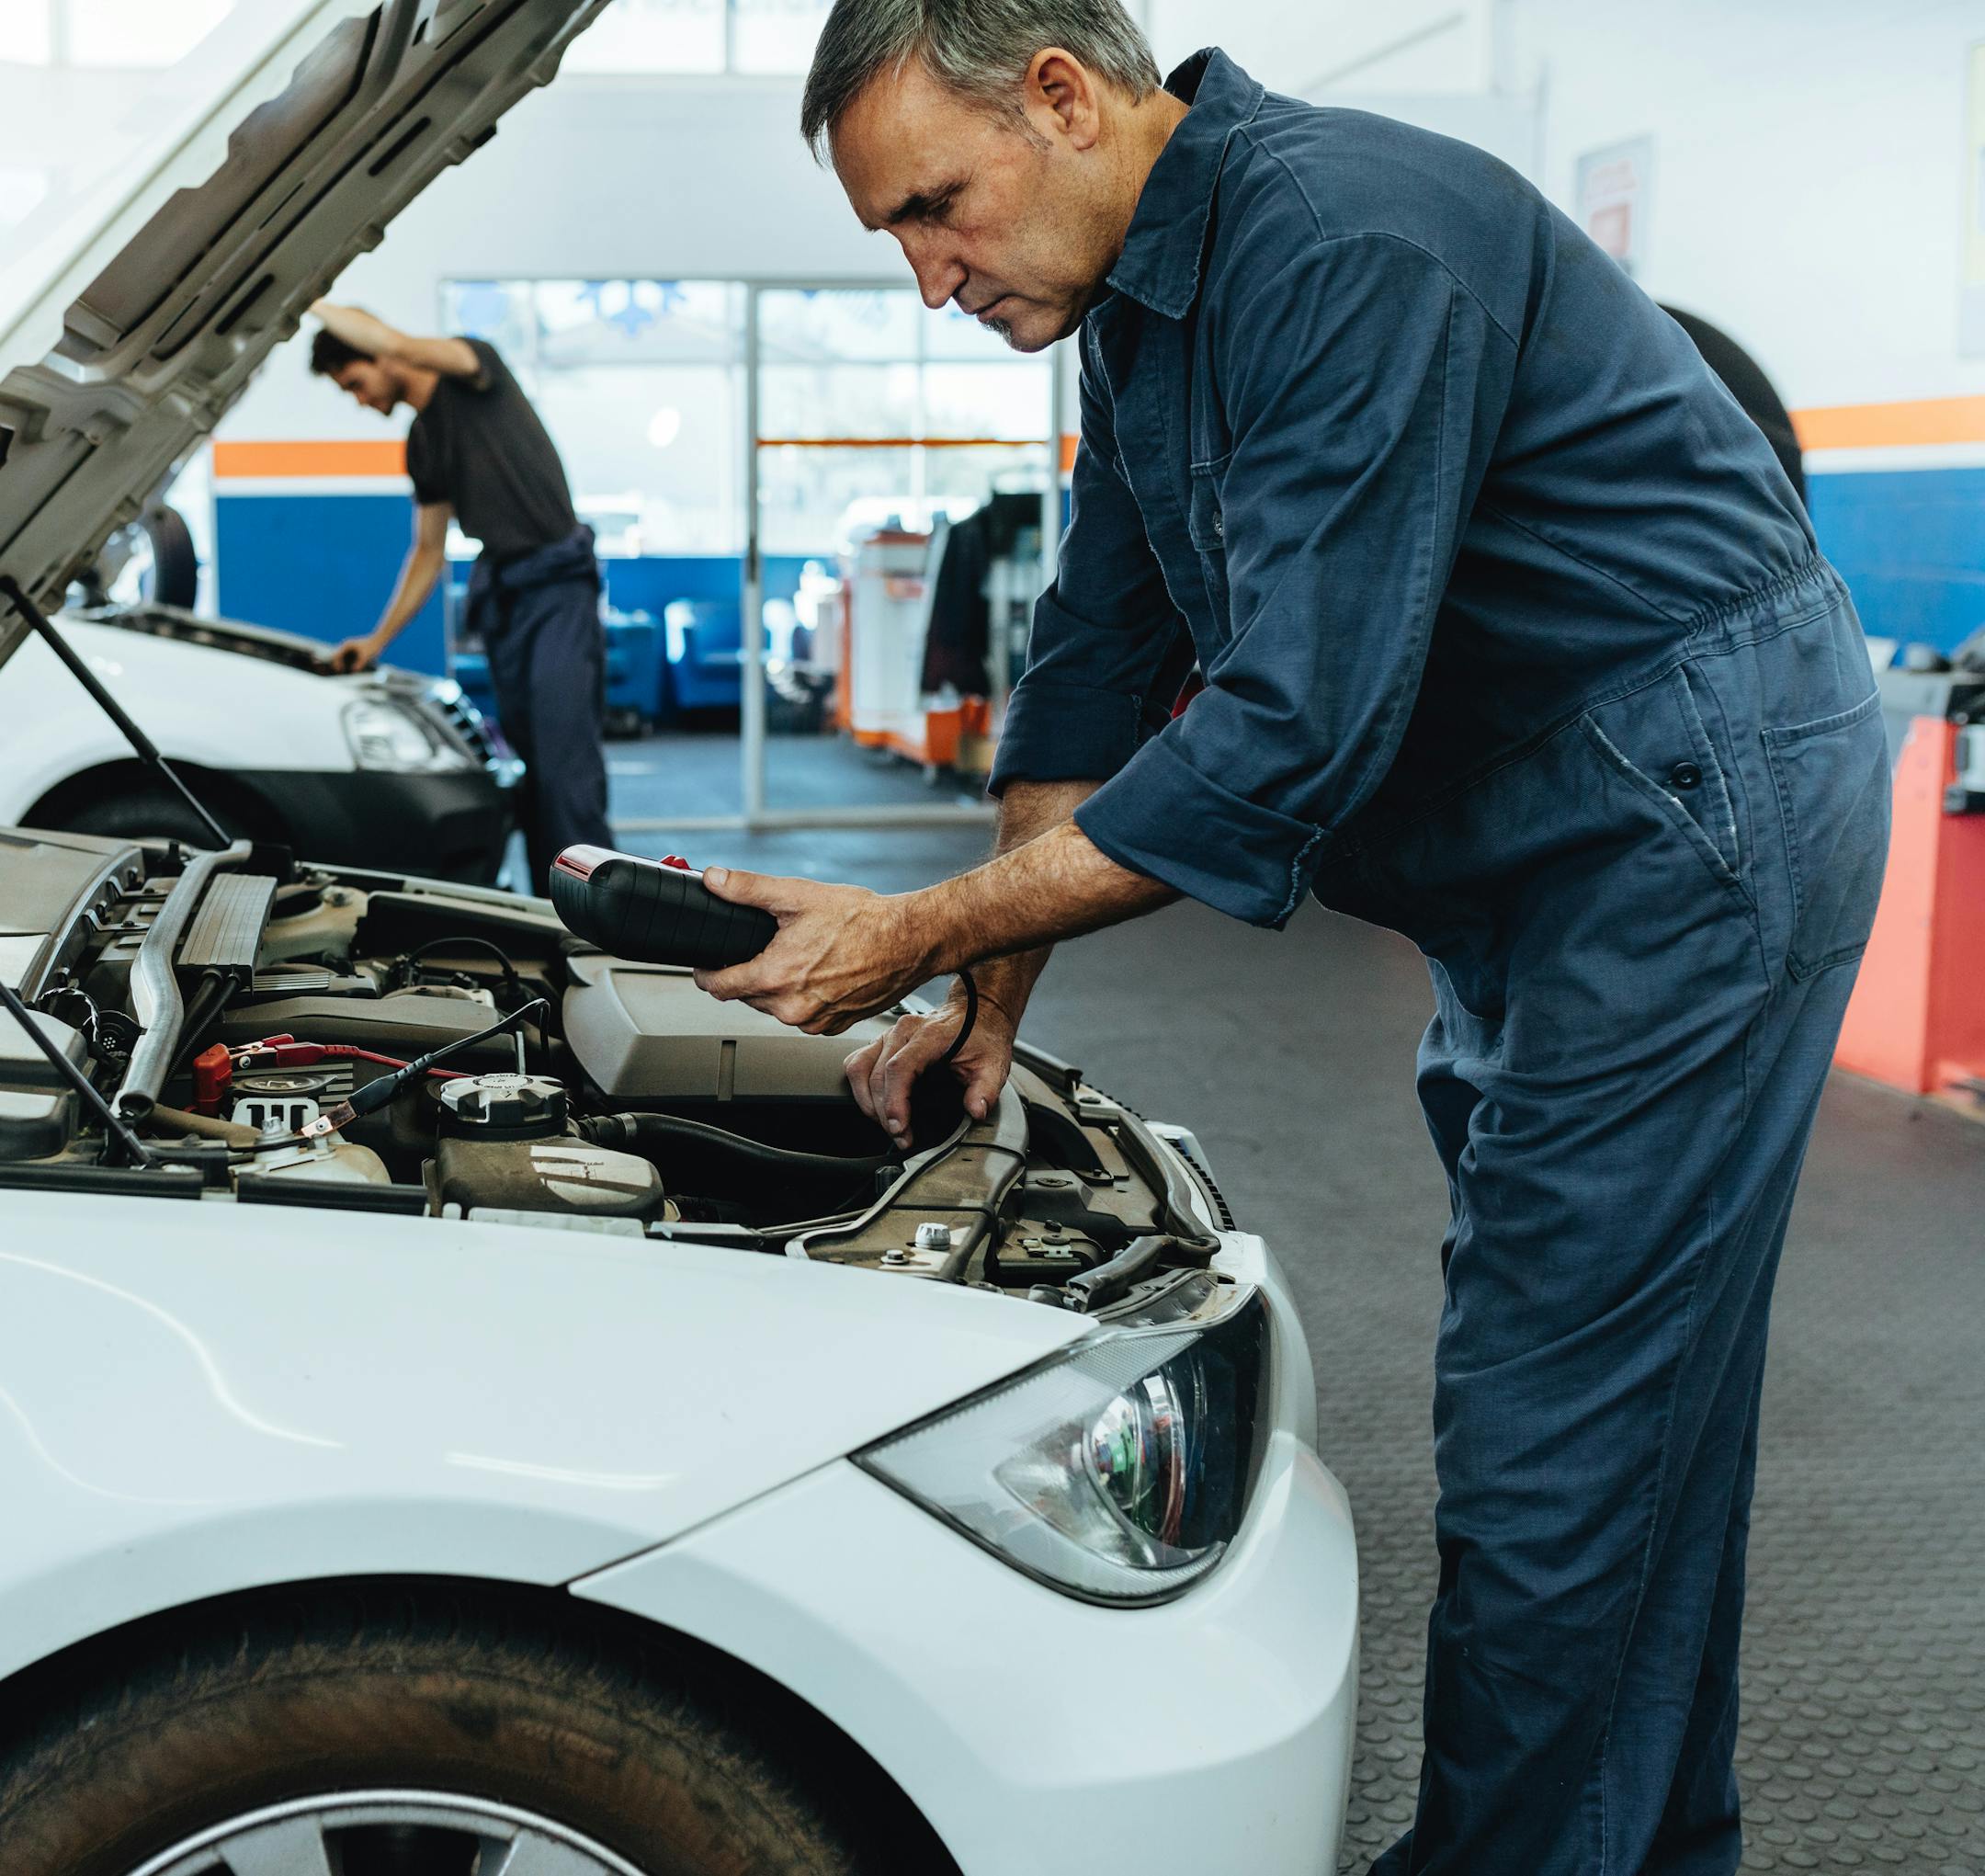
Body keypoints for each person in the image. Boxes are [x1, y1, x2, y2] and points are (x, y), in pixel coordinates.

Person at [676, 5, 1894, 1871]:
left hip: (1681, 820)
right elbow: (1093, 668)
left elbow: (1282, 744)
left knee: (1556, 1418)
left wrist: (903, 927)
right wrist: (985, 1000)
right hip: (1543, 835)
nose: (930, 277)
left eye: (937, 205)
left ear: (1066, 99)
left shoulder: (1342, 244)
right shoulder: (1150, 306)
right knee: (1624, 1402)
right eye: (896, 238)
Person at [307, 301, 613, 891]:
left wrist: (307, 297)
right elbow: (427, 551)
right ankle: (556, 908)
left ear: (382, 358)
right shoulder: (422, 442)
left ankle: (605, 916)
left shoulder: (474, 371)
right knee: (528, 772)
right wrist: (375, 641)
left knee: (565, 766)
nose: (361, 400)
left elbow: (392, 335)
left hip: (558, 589)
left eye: (356, 384)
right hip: (506, 598)